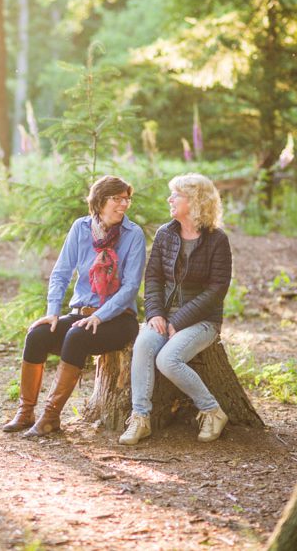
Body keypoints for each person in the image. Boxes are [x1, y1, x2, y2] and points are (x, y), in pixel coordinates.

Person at [3, 175, 146, 437]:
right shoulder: (80, 228)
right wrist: (53, 312)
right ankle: (25, 412)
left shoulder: (133, 234)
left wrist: (101, 316)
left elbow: (130, 288)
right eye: (117, 199)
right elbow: (61, 272)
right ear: (100, 201)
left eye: (127, 199)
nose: (124, 205)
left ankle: (51, 417)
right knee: (37, 335)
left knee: (77, 336)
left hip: (118, 318)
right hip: (80, 313)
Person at [119, 173, 233, 446]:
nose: (169, 199)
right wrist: (156, 313)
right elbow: (154, 278)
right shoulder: (165, 234)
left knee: (167, 359)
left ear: (194, 201)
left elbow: (217, 289)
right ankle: (140, 418)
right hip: (165, 315)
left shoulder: (217, 240)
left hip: (203, 321)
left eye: (176, 195)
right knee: (144, 345)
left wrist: (179, 320)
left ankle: (212, 411)